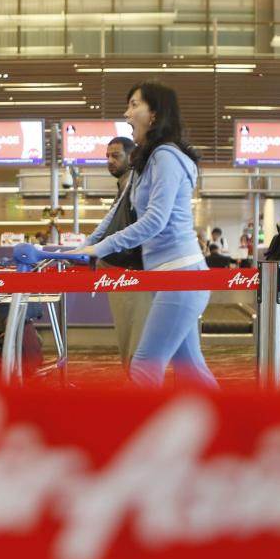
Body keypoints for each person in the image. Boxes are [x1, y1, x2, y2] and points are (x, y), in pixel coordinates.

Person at [69, 81, 217, 390]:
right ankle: (236, 432)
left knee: (144, 368)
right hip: (168, 276)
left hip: (182, 275)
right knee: (191, 371)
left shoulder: (166, 156)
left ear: (154, 114)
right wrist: (85, 246)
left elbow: (155, 221)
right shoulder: (145, 161)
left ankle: (141, 434)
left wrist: (102, 247)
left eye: (134, 105)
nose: (126, 113)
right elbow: (117, 212)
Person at [83, 135, 153, 369]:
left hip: (133, 271)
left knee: (135, 339)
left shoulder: (134, 184)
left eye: (116, 156)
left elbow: (141, 226)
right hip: (124, 270)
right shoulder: (125, 184)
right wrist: (91, 244)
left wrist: (97, 246)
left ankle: (140, 395)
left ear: (132, 157)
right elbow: (109, 222)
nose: (110, 161)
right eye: (107, 156)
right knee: (132, 337)